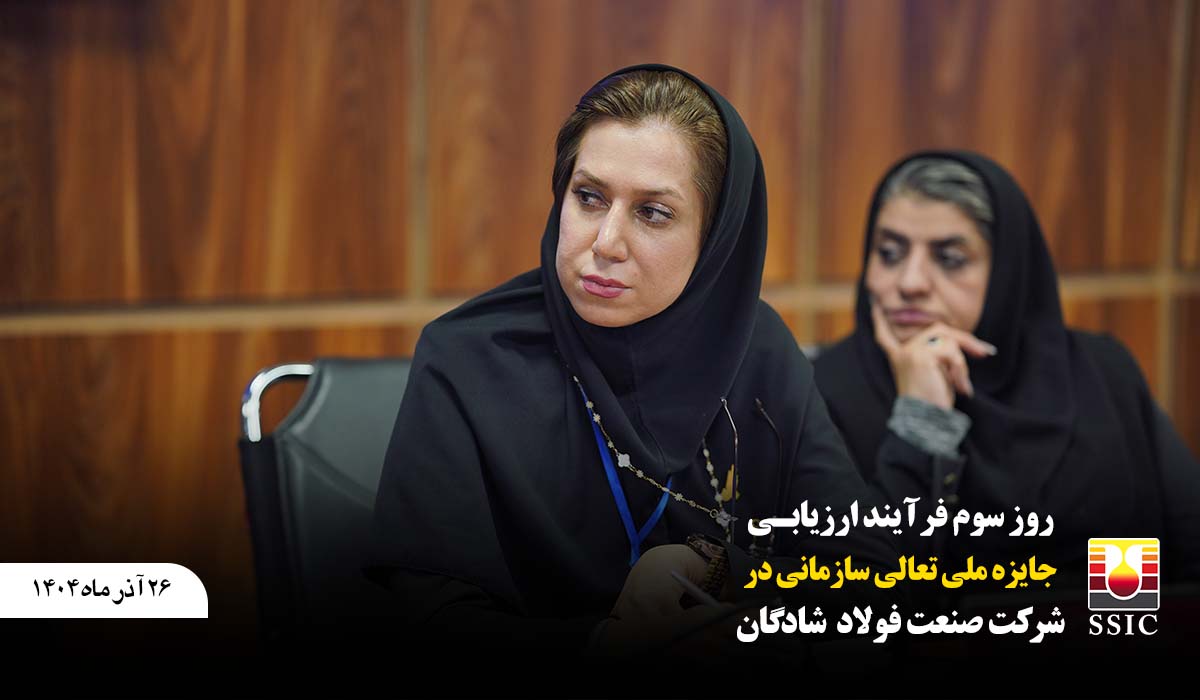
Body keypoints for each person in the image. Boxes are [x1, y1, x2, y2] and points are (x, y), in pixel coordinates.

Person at [365, 65, 895, 667]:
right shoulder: (468, 359)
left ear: (716, 236)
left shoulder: (755, 346)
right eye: (589, 198)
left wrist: (720, 571)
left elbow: (869, 567)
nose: (606, 243)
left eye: (653, 213)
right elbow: (427, 617)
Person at [813, 151, 1200, 598]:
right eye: (889, 254)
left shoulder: (1102, 373)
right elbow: (857, 597)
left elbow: (1189, 554)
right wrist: (921, 422)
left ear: (1007, 274)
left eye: (950, 258)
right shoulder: (821, 395)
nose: (910, 282)